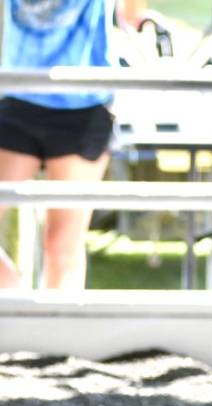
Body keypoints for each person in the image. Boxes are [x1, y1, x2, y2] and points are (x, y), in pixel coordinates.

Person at [0, 0, 122, 289]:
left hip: (83, 103)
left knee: (61, 245)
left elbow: (132, 13)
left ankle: (57, 329)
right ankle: (21, 307)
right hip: (19, 95)